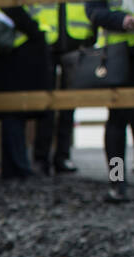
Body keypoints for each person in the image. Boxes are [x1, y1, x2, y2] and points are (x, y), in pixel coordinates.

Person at [86, 2, 134, 200]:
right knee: (118, 120)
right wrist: (122, 20)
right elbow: (93, 12)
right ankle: (117, 182)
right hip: (118, 53)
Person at [0, 6, 53, 179]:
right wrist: (34, 30)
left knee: (14, 114)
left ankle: (13, 169)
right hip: (16, 55)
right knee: (14, 113)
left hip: (13, 53)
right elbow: (15, 10)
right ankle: (18, 168)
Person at [34, 4, 95, 174]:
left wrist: (89, 40)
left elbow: (93, 9)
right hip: (45, 45)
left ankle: (62, 156)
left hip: (75, 46)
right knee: (44, 104)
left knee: (69, 105)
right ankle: (41, 158)